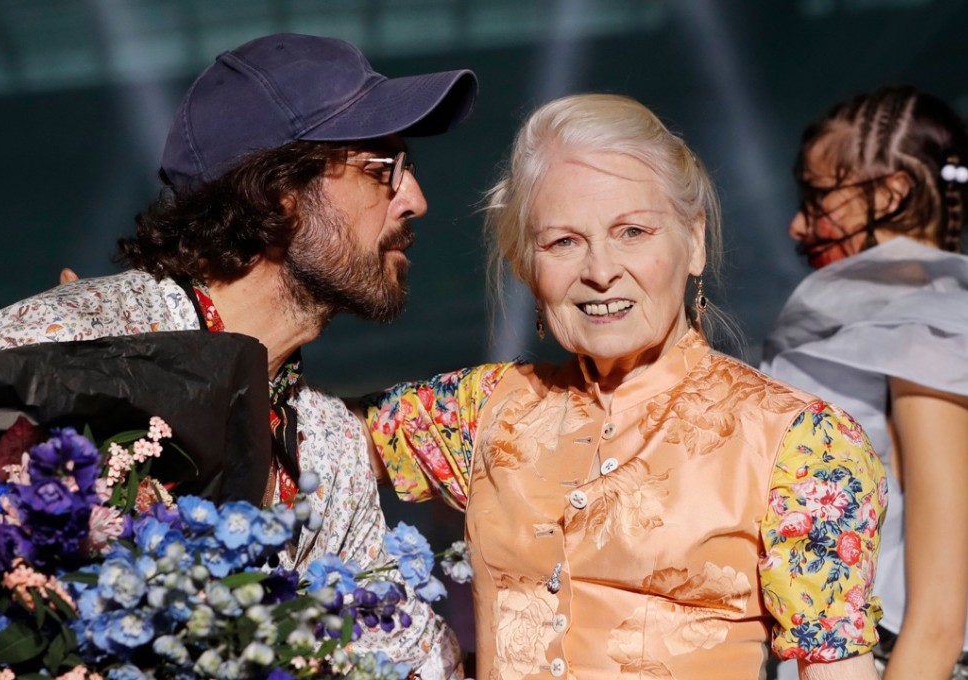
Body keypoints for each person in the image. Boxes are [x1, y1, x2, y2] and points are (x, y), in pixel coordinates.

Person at [0, 32, 478, 678]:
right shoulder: (66, 342)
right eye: (381, 168)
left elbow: (409, 655)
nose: (415, 198)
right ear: (279, 193)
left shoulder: (329, 441)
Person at [358, 93, 887, 679]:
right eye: (563, 242)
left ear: (694, 241)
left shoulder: (802, 443)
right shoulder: (480, 410)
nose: (601, 270)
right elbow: (296, 435)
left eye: (632, 231)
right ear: (525, 267)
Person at [762, 85, 968, 680]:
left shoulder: (930, 333)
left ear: (889, 194)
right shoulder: (894, 325)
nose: (800, 225)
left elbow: (936, 622)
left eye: (819, 196)